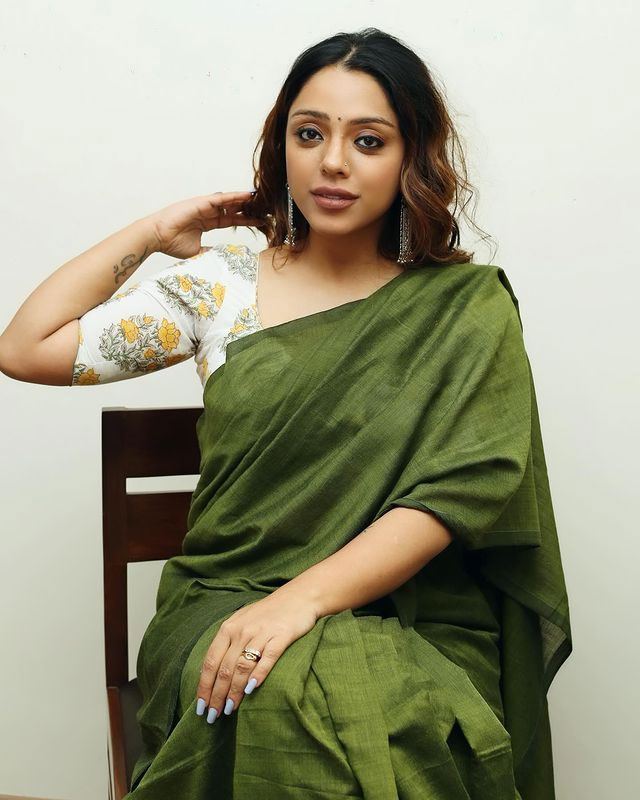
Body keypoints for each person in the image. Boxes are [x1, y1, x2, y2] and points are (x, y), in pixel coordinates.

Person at [0, 27, 572, 800]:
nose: (333, 162)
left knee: (388, 708)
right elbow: (26, 348)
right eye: (309, 134)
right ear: (282, 147)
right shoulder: (221, 288)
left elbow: (458, 493)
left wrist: (297, 605)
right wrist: (153, 233)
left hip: (412, 615)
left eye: (368, 140)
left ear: (412, 157)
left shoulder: (465, 308)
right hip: (225, 600)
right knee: (287, 698)